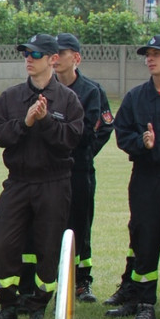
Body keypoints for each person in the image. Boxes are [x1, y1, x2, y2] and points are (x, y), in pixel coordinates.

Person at [0, 34, 84, 319]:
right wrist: (25, 123)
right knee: (3, 243)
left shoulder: (68, 99)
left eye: (36, 54)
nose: (29, 58)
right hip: (19, 182)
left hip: (53, 183)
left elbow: (72, 139)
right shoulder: (11, 98)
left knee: (48, 247)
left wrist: (46, 120)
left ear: (53, 59)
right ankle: (7, 306)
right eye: (26, 53)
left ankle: (38, 309)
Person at [112, 35, 160, 319]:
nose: (150, 58)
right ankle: (145, 305)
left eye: (156, 53)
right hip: (146, 180)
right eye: (147, 54)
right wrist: (142, 142)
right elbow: (121, 134)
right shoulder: (136, 97)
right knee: (145, 243)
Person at [54, 33, 113, 303]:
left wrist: (85, 154)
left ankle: (82, 281)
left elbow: (104, 127)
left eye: (62, 52)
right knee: (51, 224)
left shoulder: (91, 90)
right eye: (53, 52)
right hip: (51, 171)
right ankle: (52, 279)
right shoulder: (47, 88)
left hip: (79, 171)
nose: (55, 57)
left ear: (76, 58)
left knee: (80, 224)